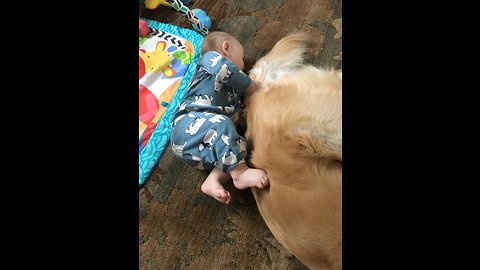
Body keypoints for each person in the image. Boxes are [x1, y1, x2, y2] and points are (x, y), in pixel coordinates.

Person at [170, 31, 269, 204]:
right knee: (222, 125)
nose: (244, 65)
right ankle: (240, 173)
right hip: (187, 125)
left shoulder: (233, 89)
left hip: (205, 149)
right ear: (226, 48)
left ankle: (213, 180)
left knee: (241, 143)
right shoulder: (210, 60)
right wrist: (251, 86)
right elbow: (224, 69)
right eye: (242, 58)